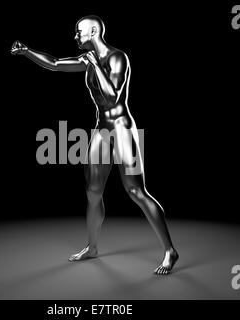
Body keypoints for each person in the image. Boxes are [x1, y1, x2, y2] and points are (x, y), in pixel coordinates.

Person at [11, 15, 179, 274]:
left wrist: (95, 66)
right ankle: (92, 247)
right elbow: (55, 64)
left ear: (93, 32)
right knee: (92, 191)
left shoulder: (117, 58)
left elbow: (113, 97)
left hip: (122, 128)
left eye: (79, 32)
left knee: (135, 191)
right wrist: (27, 52)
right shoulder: (86, 60)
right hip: (101, 130)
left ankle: (170, 251)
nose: (75, 36)